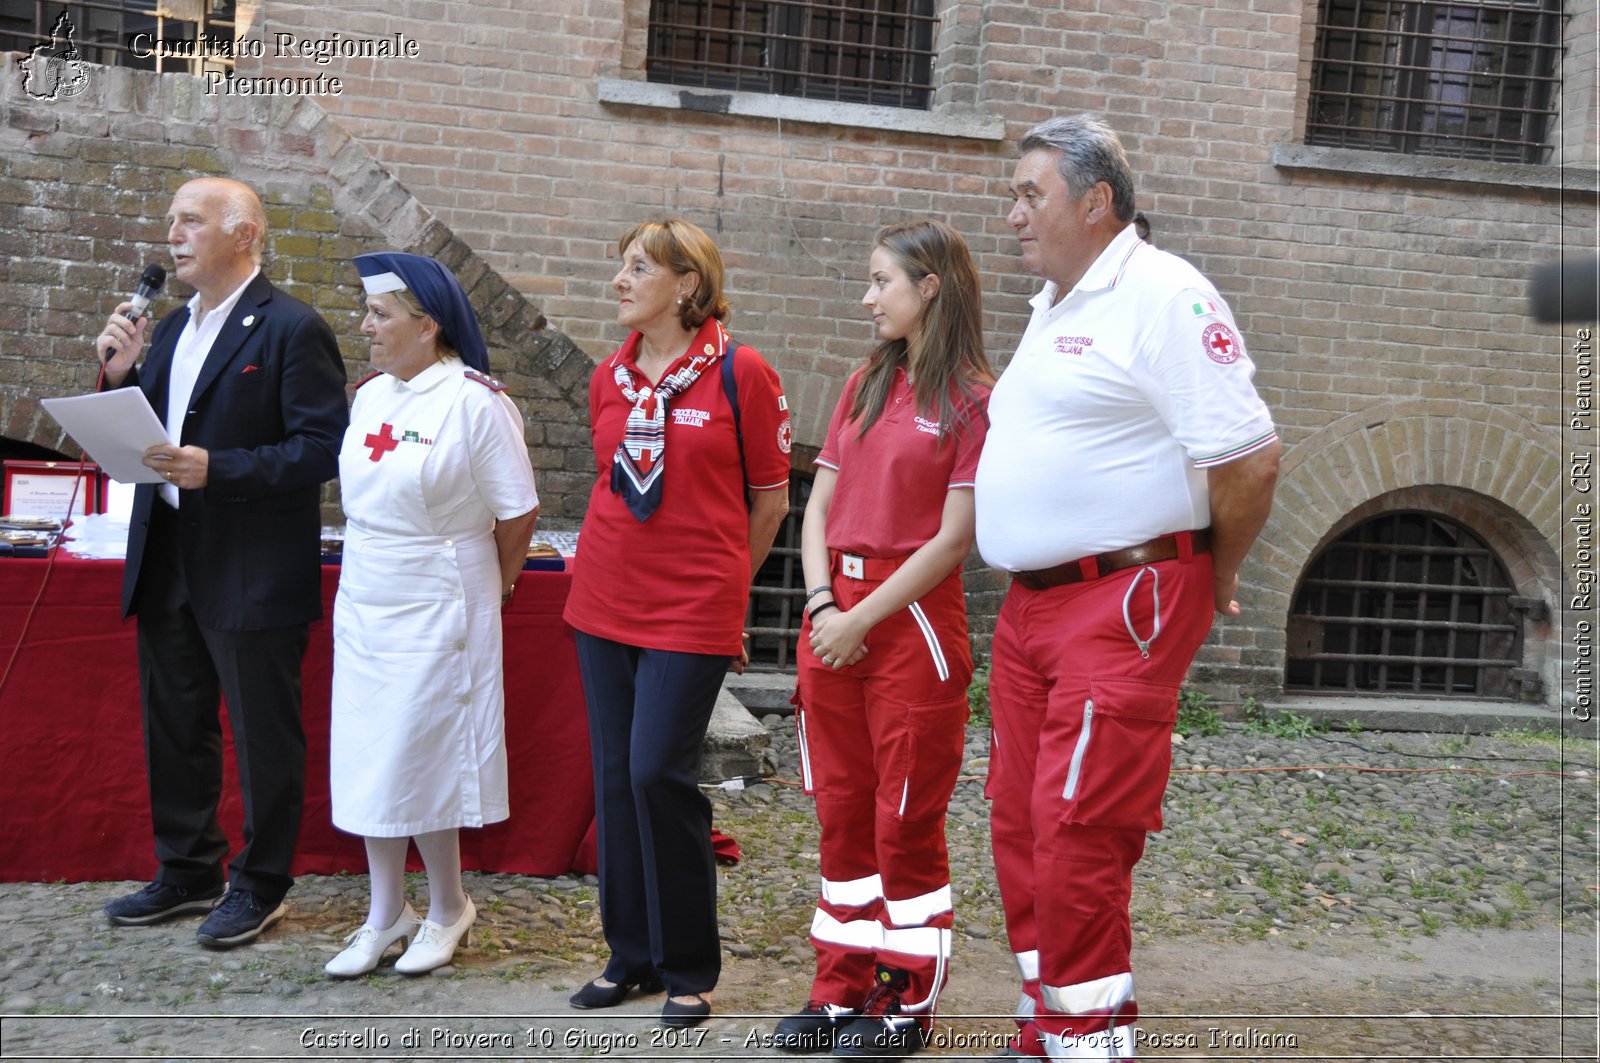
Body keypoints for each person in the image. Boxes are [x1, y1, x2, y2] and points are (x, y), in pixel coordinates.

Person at [973, 115, 1281, 1061]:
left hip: (1123, 601)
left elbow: (1250, 459)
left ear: (1096, 200)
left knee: (1079, 827)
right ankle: (1049, 1017)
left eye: (1032, 193)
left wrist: (1212, 569)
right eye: (1014, 194)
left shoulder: (1165, 295)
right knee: (1020, 819)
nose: (1014, 212)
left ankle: (1091, 1039)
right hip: (1034, 605)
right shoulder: (1055, 301)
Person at [94, 177, 349, 948]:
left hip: (251, 562)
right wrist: (117, 378)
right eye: (170, 219)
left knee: (264, 732)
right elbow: (155, 429)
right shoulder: (169, 327)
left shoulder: (292, 328)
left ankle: (262, 880)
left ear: (243, 235)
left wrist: (222, 468)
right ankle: (188, 867)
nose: (172, 233)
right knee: (174, 723)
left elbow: (321, 448)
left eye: (190, 221)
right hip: (168, 551)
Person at [563, 218, 791, 1028]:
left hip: (692, 609)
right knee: (616, 778)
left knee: (660, 770)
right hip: (602, 602)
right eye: (619, 265)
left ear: (687, 284)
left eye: (637, 268)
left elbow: (771, 500)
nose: (619, 281)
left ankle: (690, 961)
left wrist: (727, 583)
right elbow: (608, 486)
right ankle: (629, 955)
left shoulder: (742, 373)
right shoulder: (608, 377)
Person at [773, 220, 994, 1060]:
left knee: (904, 818)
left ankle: (906, 999)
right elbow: (818, 506)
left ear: (929, 286)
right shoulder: (865, 379)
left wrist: (863, 619)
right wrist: (827, 602)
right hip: (834, 614)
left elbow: (952, 539)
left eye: (881, 282)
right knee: (841, 812)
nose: (868, 298)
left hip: (912, 624)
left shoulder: (973, 399)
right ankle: (839, 987)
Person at [321, 253, 540, 978]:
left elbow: (517, 511)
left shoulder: (475, 402)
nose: (366, 324)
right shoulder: (369, 397)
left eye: (380, 313)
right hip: (368, 593)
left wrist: (496, 589)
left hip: (440, 596)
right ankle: (386, 912)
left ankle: (447, 905)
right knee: (368, 752)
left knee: (423, 752)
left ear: (428, 323)